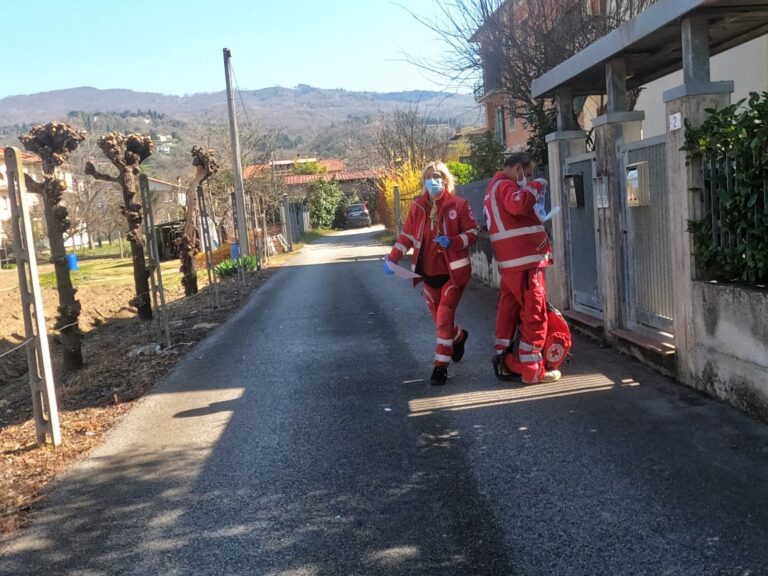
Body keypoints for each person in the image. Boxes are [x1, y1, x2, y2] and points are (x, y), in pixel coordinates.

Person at [385, 161, 478, 385]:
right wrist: (393, 257)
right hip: (427, 275)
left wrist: (453, 241)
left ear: (445, 180)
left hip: (453, 274)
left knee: (444, 318)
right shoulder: (418, 207)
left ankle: (440, 367)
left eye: (436, 176)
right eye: (428, 176)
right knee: (440, 322)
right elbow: (407, 236)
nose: (432, 180)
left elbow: (473, 232)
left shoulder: (459, 204)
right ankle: (459, 337)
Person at [483, 152, 562, 384]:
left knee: (507, 311)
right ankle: (532, 369)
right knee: (534, 313)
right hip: (525, 262)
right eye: (527, 174)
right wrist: (537, 185)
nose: (528, 178)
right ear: (518, 168)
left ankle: (503, 359)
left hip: (511, 264)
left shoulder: (493, 188)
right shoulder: (505, 186)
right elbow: (518, 205)